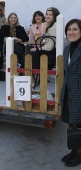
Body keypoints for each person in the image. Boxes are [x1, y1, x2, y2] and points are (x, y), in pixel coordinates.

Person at [61, 19, 81, 167]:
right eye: (69, 29)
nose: (71, 32)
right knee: (71, 123)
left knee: (79, 124)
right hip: (69, 92)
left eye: (75, 29)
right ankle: (74, 151)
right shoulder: (67, 49)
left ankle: (79, 155)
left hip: (79, 92)